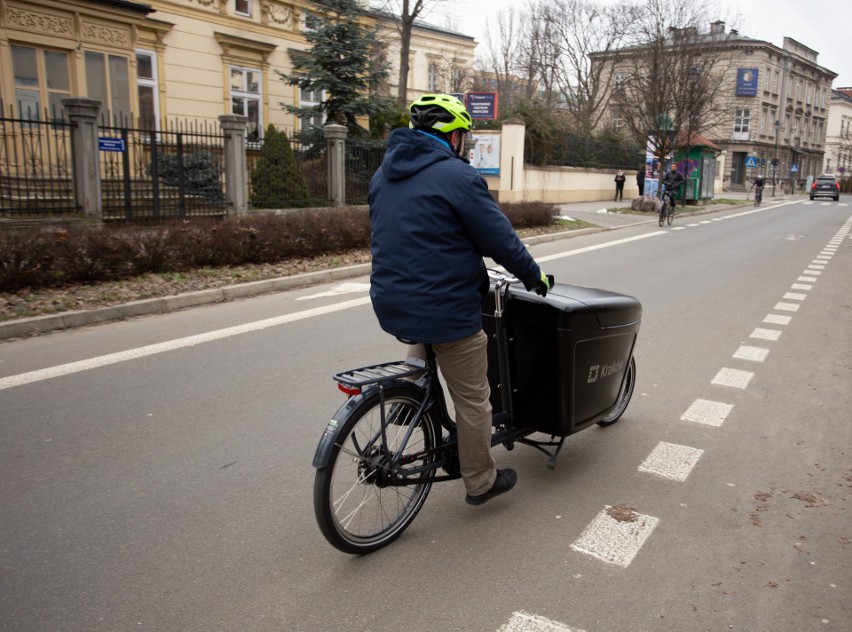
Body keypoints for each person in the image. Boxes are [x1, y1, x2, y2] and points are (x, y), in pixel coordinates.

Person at [368, 94, 550, 506]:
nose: (464, 142)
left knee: (424, 331)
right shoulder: (459, 178)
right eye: (462, 134)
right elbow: (500, 241)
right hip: (445, 308)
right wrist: (533, 276)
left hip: (391, 300)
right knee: (474, 398)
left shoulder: (383, 174)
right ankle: (481, 480)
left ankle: (408, 400)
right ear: (451, 136)